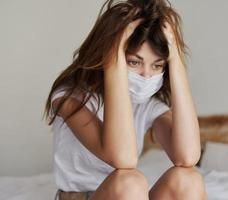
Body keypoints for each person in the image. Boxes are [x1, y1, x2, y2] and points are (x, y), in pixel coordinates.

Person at [43, 0, 207, 199]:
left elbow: (187, 156)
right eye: (134, 62)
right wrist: (113, 61)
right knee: (130, 182)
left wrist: (177, 62)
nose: (146, 76)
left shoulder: (147, 106)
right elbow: (124, 158)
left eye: (157, 65)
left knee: (188, 179)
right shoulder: (68, 98)